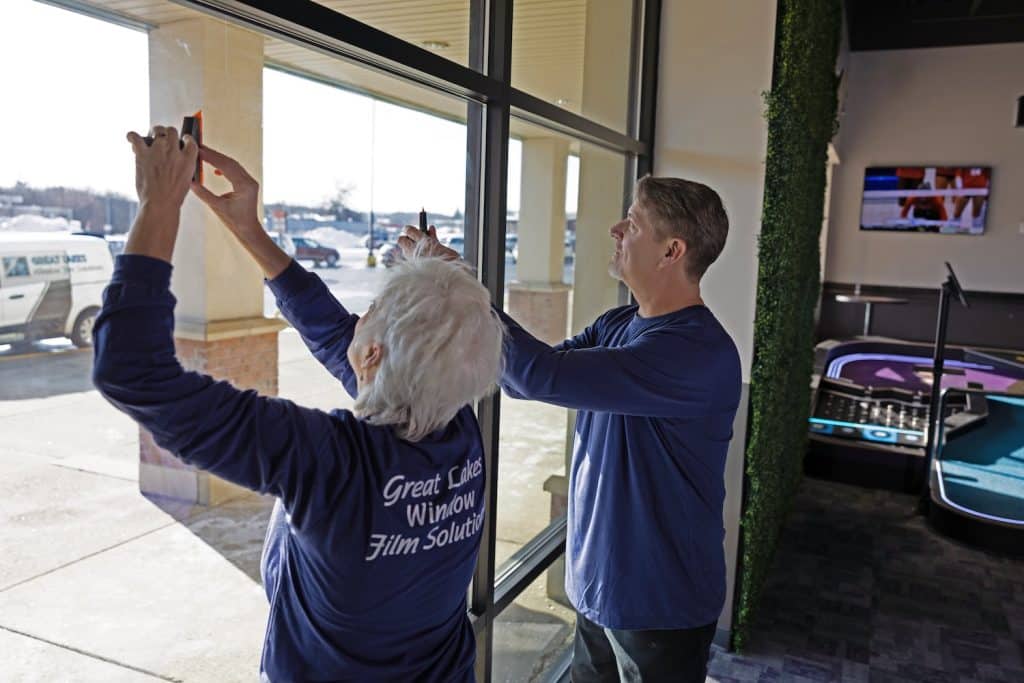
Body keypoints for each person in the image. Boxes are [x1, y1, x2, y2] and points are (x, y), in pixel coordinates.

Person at [92, 125, 506, 682]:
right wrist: (247, 228)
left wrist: (159, 203)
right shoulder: (458, 432)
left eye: (370, 312)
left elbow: (132, 370)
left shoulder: (327, 461)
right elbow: (351, 342)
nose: (355, 321)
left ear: (373, 356)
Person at [400, 176, 742, 682]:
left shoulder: (695, 353)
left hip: (659, 606)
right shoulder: (618, 325)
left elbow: (539, 374)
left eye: (634, 222)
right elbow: (525, 379)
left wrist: (460, 284)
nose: (616, 229)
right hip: (599, 587)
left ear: (672, 250)